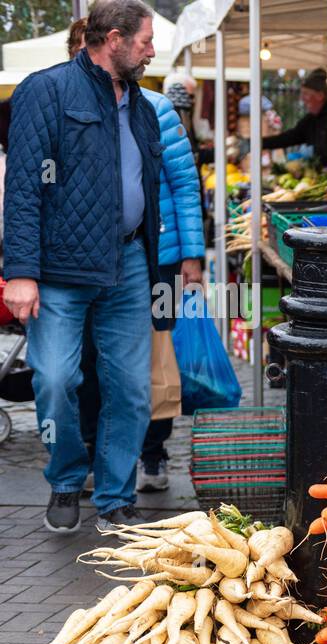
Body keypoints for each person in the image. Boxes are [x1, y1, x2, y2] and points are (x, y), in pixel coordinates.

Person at [3, 0, 163, 532]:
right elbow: (23, 187)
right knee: (53, 379)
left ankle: (116, 495)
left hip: (129, 260)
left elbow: (152, 189)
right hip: (59, 267)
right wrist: (20, 271)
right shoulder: (44, 90)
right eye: (145, 42)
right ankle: (67, 478)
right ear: (113, 38)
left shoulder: (140, 105)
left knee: (132, 388)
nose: (152, 51)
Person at [63, 16, 204, 496]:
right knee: (87, 360)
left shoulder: (158, 109)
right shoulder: (66, 108)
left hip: (156, 256)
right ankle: (87, 451)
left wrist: (192, 254)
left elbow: (185, 186)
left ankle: (153, 451)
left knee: (152, 358)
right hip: (85, 260)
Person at [260, 68, 327, 167]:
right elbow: (290, 137)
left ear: (320, 96)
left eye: (305, 94)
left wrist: (314, 151)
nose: (302, 99)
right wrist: (259, 143)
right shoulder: (311, 120)